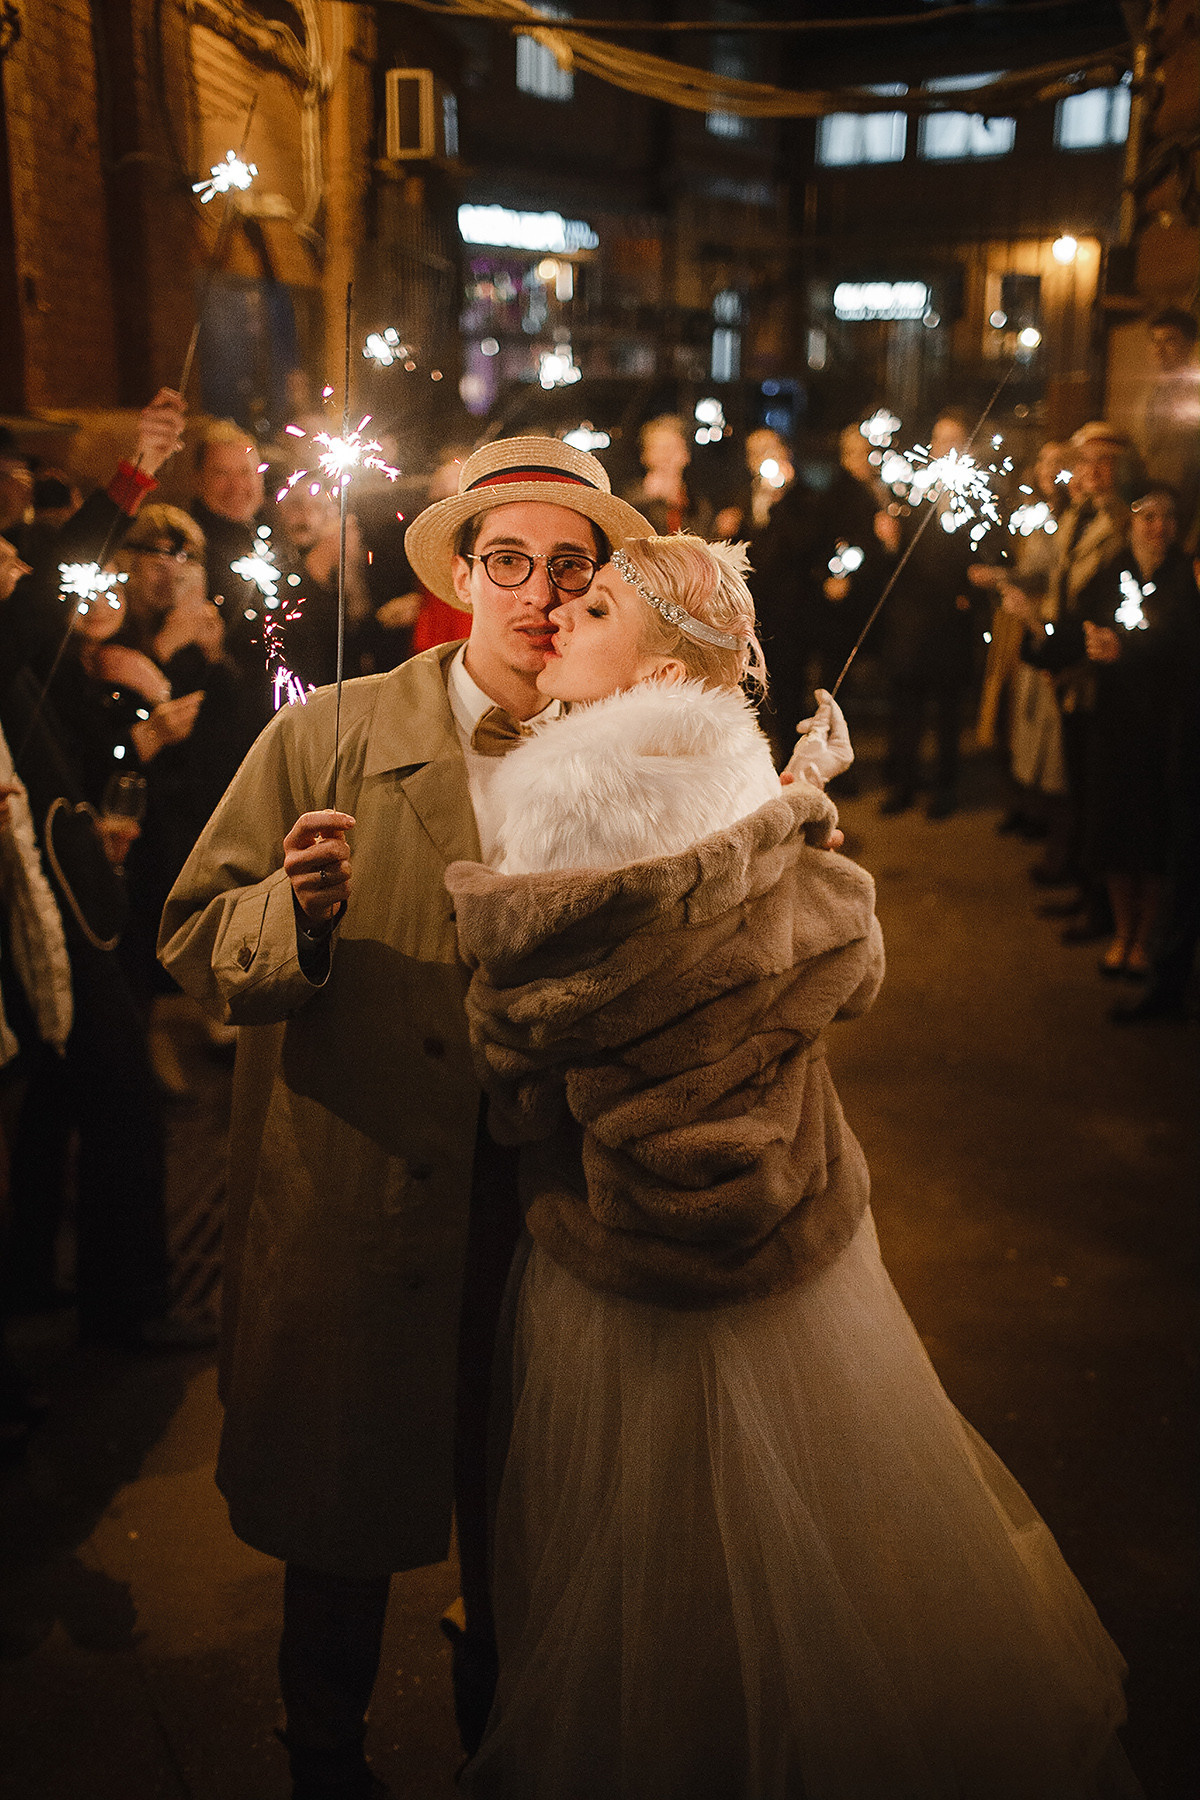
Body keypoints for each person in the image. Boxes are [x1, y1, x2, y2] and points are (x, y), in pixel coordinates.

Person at [443, 533, 1140, 1800]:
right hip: (786, 1204)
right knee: (811, 1511)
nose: (557, 622)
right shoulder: (730, 764)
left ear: (661, 659)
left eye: (591, 605)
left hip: (632, 1236)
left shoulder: (573, 791)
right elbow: (796, 948)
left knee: (653, 1537)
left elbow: (535, 1019)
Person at [157, 438, 653, 1799]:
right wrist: (297, 920)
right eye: (509, 561)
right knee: (342, 1515)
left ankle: (509, 1749)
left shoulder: (630, 752)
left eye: (570, 567)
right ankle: (323, 1755)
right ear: (459, 573)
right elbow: (196, 936)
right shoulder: (325, 733)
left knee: (529, 1520)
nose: (538, 594)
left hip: (546, 1212)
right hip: (353, 1193)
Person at [1079, 486, 1199, 978]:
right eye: (1147, 516)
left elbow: (1179, 639)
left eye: (1166, 517)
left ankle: (1144, 938)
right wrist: (1088, 638)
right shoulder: (1116, 567)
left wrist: (1123, 647)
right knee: (1115, 827)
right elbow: (1084, 611)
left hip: (1161, 724)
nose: (1157, 526)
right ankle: (1122, 931)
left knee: (1152, 834)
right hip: (1116, 721)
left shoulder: (1182, 577)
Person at [877, 409, 982, 819]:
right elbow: (897, 559)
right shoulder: (911, 492)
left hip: (950, 622)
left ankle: (945, 788)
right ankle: (902, 784)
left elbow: (980, 555)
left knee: (947, 713)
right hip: (910, 621)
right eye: (939, 440)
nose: (945, 448)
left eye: (953, 439)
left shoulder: (974, 496)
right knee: (906, 710)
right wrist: (888, 541)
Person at [1136, 308, 1200, 541]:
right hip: (1151, 506)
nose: (1159, 350)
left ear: (1190, 343)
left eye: (1169, 341)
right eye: (1155, 341)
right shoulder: (1149, 393)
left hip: (1186, 509)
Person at [621, 413, 713, 539]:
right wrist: (648, 498)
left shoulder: (698, 506)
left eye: (673, 448)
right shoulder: (630, 502)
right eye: (659, 449)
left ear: (685, 455)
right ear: (645, 456)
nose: (666, 457)